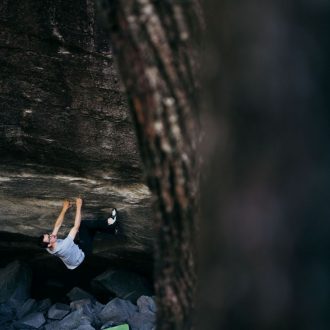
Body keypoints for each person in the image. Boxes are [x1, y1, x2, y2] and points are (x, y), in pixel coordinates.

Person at [38, 198, 118, 269]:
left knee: (88, 231)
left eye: (48, 234)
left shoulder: (47, 246)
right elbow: (76, 226)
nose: (51, 235)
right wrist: (79, 206)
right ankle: (109, 222)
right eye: (49, 237)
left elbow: (57, 226)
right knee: (83, 225)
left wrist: (64, 209)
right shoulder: (63, 246)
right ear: (49, 244)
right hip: (83, 254)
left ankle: (112, 231)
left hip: (73, 259)